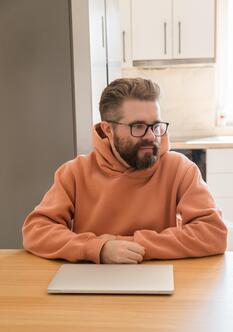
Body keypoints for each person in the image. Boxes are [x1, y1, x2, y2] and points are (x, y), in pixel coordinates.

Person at [22, 78, 227, 264]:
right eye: (137, 126)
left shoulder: (180, 169)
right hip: (91, 278)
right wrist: (98, 249)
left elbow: (213, 233)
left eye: (155, 126)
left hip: (155, 280)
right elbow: (36, 231)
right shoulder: (75, 172)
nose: (150, 136)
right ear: (108, 130)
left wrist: (130, 245)